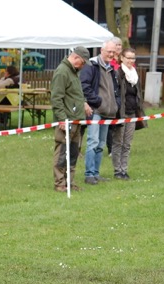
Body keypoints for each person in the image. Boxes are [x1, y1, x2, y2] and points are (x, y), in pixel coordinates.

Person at [50, 47, 93, 192]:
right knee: (62, 152)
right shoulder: (62, 72)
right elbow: (56, 98)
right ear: (76, 58)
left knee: (73, 153)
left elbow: (75, 94)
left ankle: (69, 182)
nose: (83, 65)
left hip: (76, 120)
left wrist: (84, 103)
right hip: (67, 120)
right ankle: (60, 184)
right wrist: (62, 119)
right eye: (82, 62)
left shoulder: (74, 72)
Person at [80, 38, 120, 185]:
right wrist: (97, 101)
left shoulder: (112, 69)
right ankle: (89, 174)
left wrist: (116, 104)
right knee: (93, 142)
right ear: (101, 51)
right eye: (108, 51)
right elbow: (84, 85)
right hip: (95, 110)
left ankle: (96, 173)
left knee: (101, 144)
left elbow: (115, 90)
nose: (111, 54)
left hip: (108, 112)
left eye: (113, 52)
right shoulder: (91, 65)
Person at [112, 47, 145, 180]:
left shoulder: (135, 74)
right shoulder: (117, 73)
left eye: (133, 58)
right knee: (118, 142)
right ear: (122, 58)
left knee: (127, 144)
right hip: (121, 113)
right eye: (128, 58)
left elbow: (138, 95)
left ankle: (124, 170)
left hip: (132, 113)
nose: (131, 61)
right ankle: (117, 170)